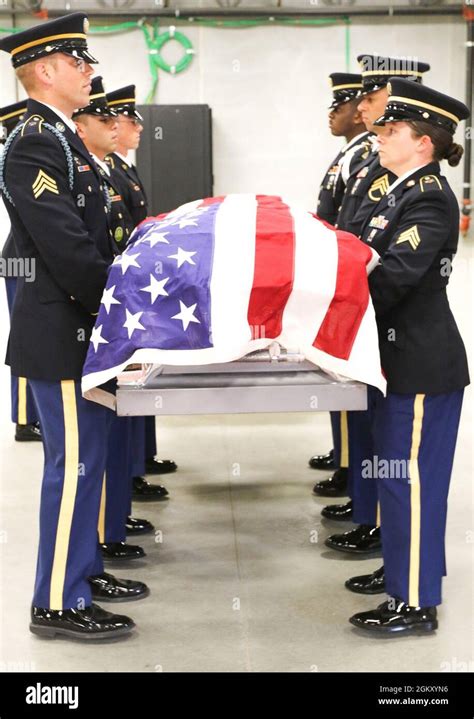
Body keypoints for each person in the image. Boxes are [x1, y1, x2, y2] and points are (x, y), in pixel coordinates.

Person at [0, 13, 148, 641]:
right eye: (81, 64)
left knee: (85, 463)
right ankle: (57, 601)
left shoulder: (61, 139)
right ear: (49, 70)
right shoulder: (36, 139)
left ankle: (82, 570)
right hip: (63, 334)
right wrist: (121, 307)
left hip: (81, 330)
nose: (90, 74)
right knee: (76, 466)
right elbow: (64, 246)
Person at [347, 78, 469, 633]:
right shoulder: (399, 191)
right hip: (397, 359)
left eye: (391, 130)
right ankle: (404, 569)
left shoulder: (427, 197)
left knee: (410, 480)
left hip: (420, 363)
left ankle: (416, 603)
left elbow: (393, 277)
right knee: (396, 475)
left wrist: (329, 302)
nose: (380, 137)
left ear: (424, 142)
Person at [323, 55, 430, 549]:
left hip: (401, 337)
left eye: (372, 100)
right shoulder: (375, 165)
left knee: (395, 454)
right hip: (374, 322)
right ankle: (372, 515)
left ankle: (384, 536)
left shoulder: (421, 191)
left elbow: (394, 271)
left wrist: (343, 302)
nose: (366, 113)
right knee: (379, 437)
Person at [73, 76, 154, 558]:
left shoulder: (109, 171)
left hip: (116, 304)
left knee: (110, 430)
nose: (125, 126)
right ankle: (106, 533)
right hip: (95, 311)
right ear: (83, 126)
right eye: (109, 118)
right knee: (90, 446)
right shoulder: (96, 171)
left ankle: (113, 522)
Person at [106, 84, 176, 503]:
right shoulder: (108, 168)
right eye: (129, 120)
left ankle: (136, 466)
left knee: (135, 385)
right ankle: (129, 475)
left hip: (130, 285)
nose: (134, 128)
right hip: (120, 289)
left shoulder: (120, 168)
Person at [310, 72, 368, 502]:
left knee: (350, 374)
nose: (333, 113)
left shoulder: (364, 154)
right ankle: (344, 455)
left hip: (352, 275)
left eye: (340, 106)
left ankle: (351, 465)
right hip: (339, 272)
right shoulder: (348, 154)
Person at [0, 101, 41, 442]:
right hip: (19, 261)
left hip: (17, 259)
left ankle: (28, 414)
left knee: (27, 332)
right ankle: (25, 419)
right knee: (27, 334)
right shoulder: (18, 158)